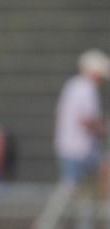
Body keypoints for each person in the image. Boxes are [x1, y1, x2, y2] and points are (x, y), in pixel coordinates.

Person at [55, 49, 109, 188]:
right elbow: (86, 120)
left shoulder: (74, 85)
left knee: (74, 187)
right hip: (79, 149)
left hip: (70, 146)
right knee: (71, 188)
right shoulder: (86, 88)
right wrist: (104, 129)